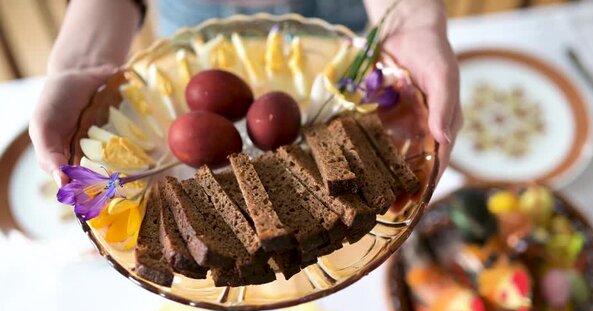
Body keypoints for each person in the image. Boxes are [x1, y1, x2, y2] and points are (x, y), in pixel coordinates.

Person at [29, 0, 462, 187]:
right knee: (196, 93)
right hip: (199, 13)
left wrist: (409, 16)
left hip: (338, 12)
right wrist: (81, 64)